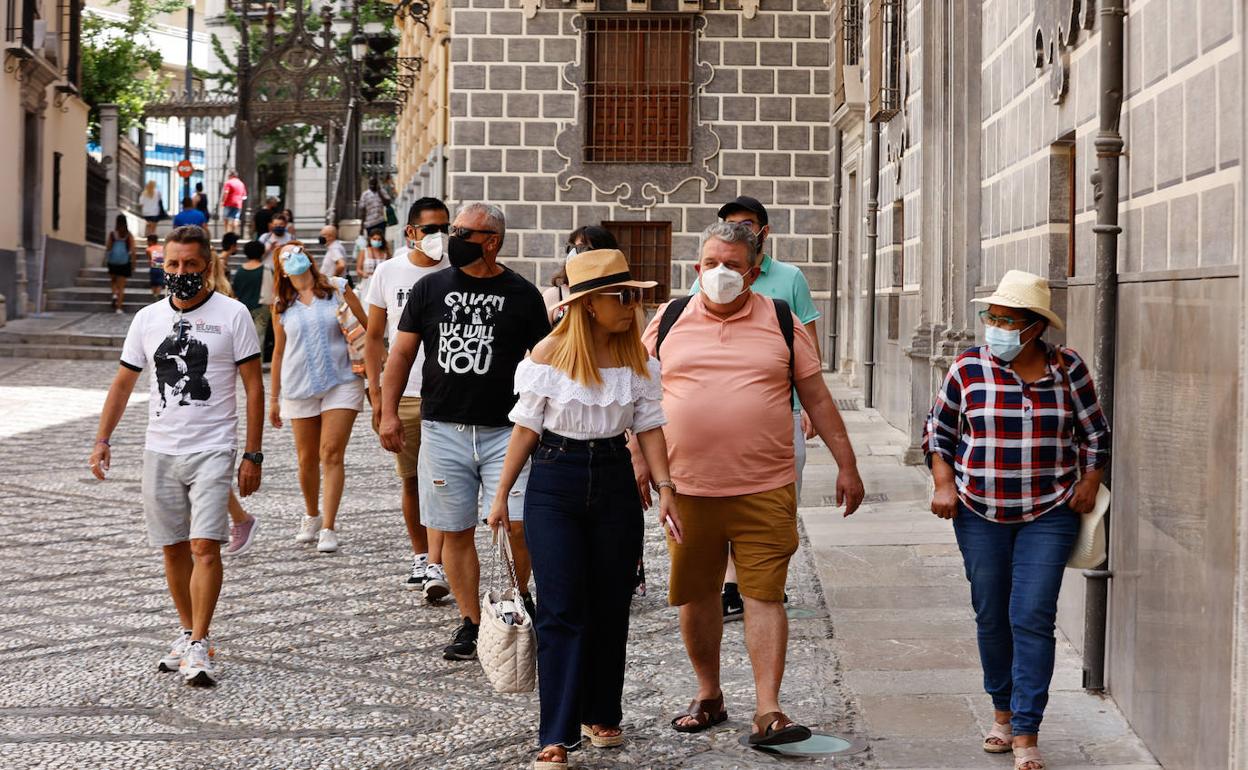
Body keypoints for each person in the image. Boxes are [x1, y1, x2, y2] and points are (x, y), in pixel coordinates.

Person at [631, 222, 864, 746]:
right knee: (696, 594)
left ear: (754, 272)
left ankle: (768, 709)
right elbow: (637, 394)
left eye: (732, 265)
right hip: (686, 487)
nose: (720, 273)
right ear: (696, 268)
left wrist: (847, 465)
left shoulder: (781, 320)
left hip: (766, 484)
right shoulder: (667, 319)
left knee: (763, 594)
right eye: (711, 263)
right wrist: (639, 460)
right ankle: (709, 694)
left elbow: (819, 398)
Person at [487, 248, 678, 768]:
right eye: (623, 296)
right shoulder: (547, 356)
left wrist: (665, 489)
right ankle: (556, 732)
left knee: (611, 603)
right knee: (562, 607)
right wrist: (502, 495)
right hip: (556, 479)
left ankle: (600, 713)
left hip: (615, 477)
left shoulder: (639, 359)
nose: (632, 305)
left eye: (634, 295)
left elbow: (650, 426)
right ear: (590, 304)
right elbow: (525, 428)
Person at [923, 270, 1110, 770]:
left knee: (1031, 615)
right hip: (979, 511)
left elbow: (1096, 435)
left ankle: (1027, 730)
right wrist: (944, 485)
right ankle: (1001, 712)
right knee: (991, 613)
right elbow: (938, 434)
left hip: (1049, 513)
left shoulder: (1068, 369)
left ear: (1033, 328)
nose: (996, 328)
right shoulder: (968, 368)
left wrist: (1090, 481)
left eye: (1007, 320)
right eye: (992, 318)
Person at [89, 224, 264, 687]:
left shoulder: (233, 315)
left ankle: (201, 641)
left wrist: (253, 453)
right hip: (160, 449)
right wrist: (102, 438)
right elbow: (124, 382)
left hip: (213, 448)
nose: (181, 272)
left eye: (190, 264)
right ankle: (188, 633)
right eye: (173, 264)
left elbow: (253, 386)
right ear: (161, 264)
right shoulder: (147, 319)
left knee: (203, 546)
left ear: (207, 265)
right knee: (172, 548)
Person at [378, 202, 550, 661]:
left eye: (462, 232)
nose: (452, 238)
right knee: (454, 529)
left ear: (491, 241)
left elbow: (546, 363)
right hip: (442, 428)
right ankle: (472, 621)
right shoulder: (430, 288)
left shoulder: (523, 295)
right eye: (452, 230)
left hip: (505, 433)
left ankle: (517, 599)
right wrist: (387, 411)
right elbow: (400, 356)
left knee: (517, 524)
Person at [690, 196, 825, 621]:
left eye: (746, 225)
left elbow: (809, 345)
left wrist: (808, 408)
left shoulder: (790, 278)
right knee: (728, 498)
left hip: (780, 413)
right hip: (719, 419)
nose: (739, 232)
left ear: (763, 232)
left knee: (780, 502)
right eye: (730, 224)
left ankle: (768, 581)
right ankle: (734, 584)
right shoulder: (711, 273)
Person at [363, 197, 451, 593]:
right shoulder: (388, 272)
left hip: (448, 393)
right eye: (431, 229)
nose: (439, 236)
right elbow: (374, 337)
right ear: (411, 232)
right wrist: (380, 399)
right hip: (406, 394)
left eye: (445, 228)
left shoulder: (457, 271)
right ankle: (421, 555)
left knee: (444, 481)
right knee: (412, 480)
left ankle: (438, 563)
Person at [270, 242, 369, 554]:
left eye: (297, 251)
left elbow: (368, 329)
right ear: (281, 269)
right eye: (285, 256)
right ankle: (311, 514)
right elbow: (278, 352)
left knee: (331, 452)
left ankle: (328, 526)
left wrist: (377, 381)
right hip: (299, 385)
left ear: (308, 257)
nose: (293, 258)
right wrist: (273, 397)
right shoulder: (281, 305)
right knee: (306, 458)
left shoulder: (338, 288)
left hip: (343, 380)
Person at [205, 246, 262, 558]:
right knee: (197, 479)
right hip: (185, 412)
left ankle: (234, 523)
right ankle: (239, 520)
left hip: (213, 410)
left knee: (205, 478)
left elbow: (252, 380)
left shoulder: (227, 308)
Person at [542, 226, 619, 326]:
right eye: (571, 248)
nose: (573, 254)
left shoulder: (621, 296)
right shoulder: (554, 296)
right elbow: (540, 339)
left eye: (582, 248)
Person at [232, 240, 271, 347]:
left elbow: (235, 290)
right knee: (259, 339)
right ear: (262, 252)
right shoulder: (266, 269)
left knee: (244, 339)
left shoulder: (240, 271)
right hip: (261, 309)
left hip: (243, 308)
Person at [104, 215, 135, 314]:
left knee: (113, 281)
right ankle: (119, 308)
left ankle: (114, 294)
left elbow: (108, 247)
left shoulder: (112, 234)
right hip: (124, 262)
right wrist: (133, 263)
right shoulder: (128, 235)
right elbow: (133, 250)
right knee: (121, 287)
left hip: (113, 262)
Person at [355, 226, 390, 296]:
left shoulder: (386, 254)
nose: (377, 241)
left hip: (381, 283)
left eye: (379, 239)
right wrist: (363, 274)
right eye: (374, 239)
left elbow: (389, 270)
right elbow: (358, 269)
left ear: (382, 241)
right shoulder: (364, 252)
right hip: (367, 282)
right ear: (370, 239)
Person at [220, 170, 247, 236]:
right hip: (238, 204)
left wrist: (223, 201)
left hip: (229, 203)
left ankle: (226, 233)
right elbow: (244, 196)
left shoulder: (229, 182)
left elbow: (226, 193)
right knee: (236, 218)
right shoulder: (241, 183)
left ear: (231, 176)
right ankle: (235, 233)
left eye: (229, 176)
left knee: (226, 218)